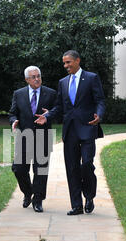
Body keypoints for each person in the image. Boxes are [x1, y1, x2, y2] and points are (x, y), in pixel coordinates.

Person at [35, 50, 105, 216]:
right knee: (72, 168)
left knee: (86, 164)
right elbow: (60, 106)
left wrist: (99, 115)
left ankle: (89, 196)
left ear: (77, 61)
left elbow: (100, 100)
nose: (65, 66)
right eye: (64, 63)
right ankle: (77, 206)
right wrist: (48, 116)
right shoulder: (63, 82)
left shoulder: (91, 78)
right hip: (70, 130)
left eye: (68, 62)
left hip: (88, 127)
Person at [9, 66, 57, 212]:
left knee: (40, 170)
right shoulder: (19, 94)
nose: (37, 79)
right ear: (27, 79)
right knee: (18, 168)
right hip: (24, 136)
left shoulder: (51, 93)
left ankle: (38, 200)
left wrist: (49, 114)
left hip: (43, 136)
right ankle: (28, 192)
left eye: (38, 76)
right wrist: (14, 121)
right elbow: (12, 113)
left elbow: (59, 110)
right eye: (33, 77)